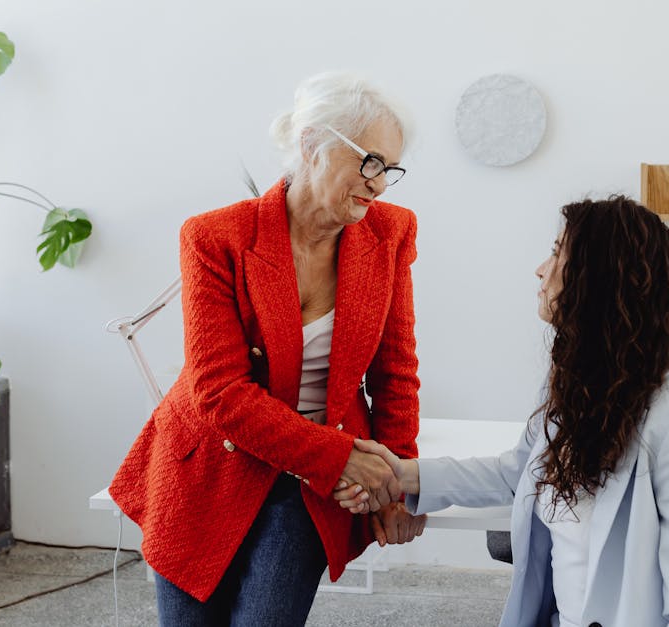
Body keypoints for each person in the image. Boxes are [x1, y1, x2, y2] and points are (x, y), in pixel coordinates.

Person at [109, 71, 426, 626]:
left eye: (389, 169)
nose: (379, 184)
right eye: (369, 161)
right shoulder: (214, 236)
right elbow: (219, 393)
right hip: (209, 463)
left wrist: (395, 482)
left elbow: (395, 371)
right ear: (312, 145)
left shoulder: (391, 232)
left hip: (310, 480)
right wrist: (341, 457)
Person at [338, 196, 669, 627]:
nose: (540, 268)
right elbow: (516, 472)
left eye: (555, 252)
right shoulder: (580, 396)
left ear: (598, 279)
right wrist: (398, 474)